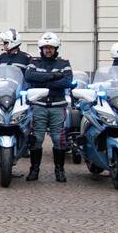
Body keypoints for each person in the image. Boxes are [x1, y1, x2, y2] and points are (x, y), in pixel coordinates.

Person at [21, 32, 74, 182]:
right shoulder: (34, 62)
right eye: (45, 47)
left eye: (51, 47)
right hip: (39, 106)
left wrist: (43, 83)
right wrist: (53, 77)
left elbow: (67, 82)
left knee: (58, 139)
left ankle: (59, 170)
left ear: (56, 48)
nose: (48, 50)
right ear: (41, 48)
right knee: (36, 139)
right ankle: (34, 170)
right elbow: (29, 77)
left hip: (57, 106)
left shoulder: (64, 63)